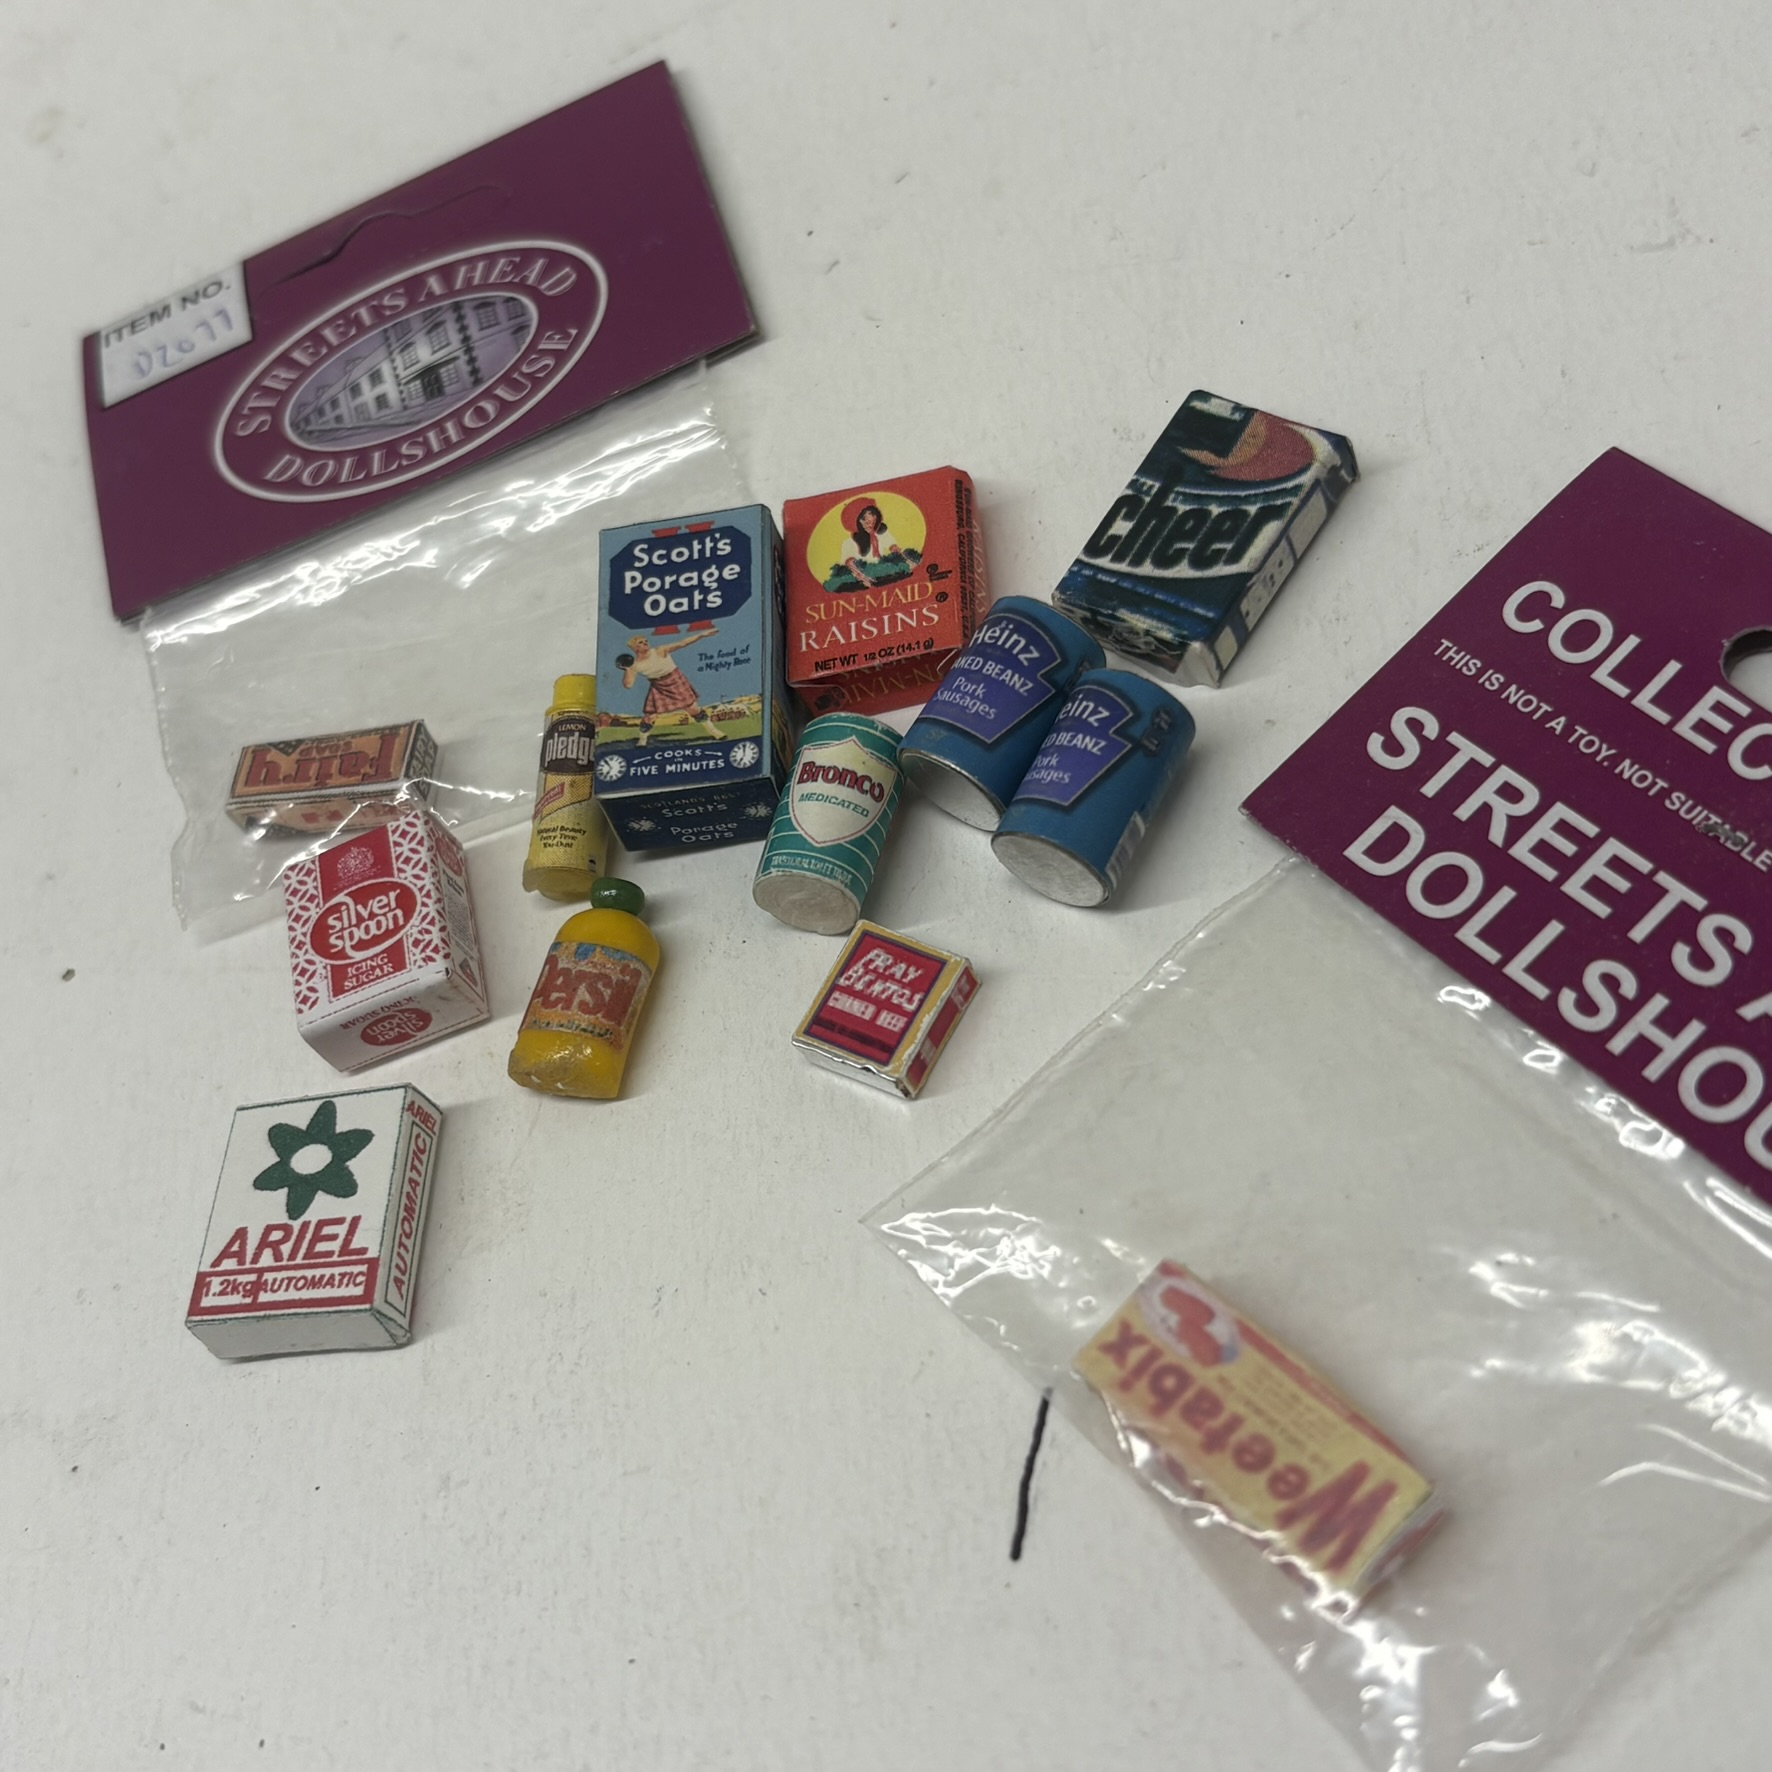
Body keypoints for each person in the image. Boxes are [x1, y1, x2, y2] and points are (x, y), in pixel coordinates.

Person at [620, 631, 724, 745]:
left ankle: (714, 731)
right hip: (658, 687)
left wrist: (701, 635)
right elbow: (628, 685)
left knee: (693, 709)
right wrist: (627, 670)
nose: (645, 643)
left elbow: (682, 643)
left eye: (646, 641)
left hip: (676, 680)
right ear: (635, 648)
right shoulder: (635, 665)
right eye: (641, 642)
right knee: (650, 716)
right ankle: (642, 740)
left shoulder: (660, 650)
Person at [836, 501, 904, 583]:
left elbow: (894, 548)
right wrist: (863, 577)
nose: (870, 526)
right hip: (863, 576)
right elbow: (850, 564)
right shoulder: (849, 543)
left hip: (882, 571)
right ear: (859, 521)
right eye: (867, 522)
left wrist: (900, 555)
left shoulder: (881, 534)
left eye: (873, 522)